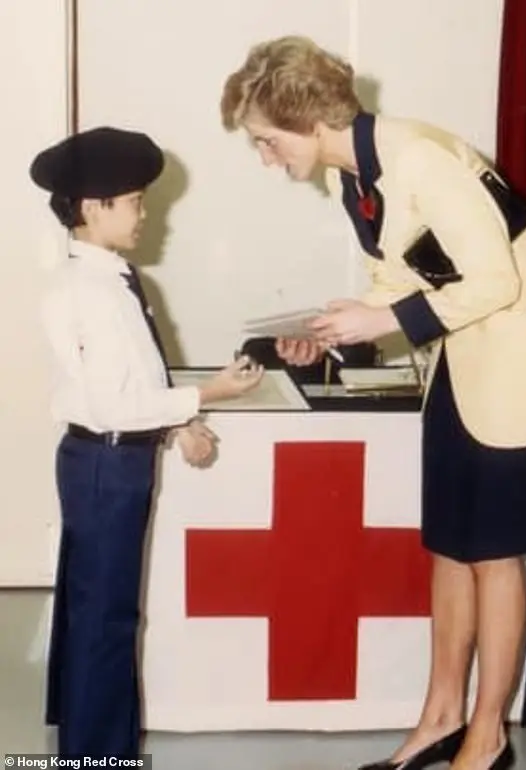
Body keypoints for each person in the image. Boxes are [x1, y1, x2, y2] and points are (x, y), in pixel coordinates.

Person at [220, 36, 526, 770]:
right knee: (451, 547)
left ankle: (486, 741)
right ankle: (440, 720)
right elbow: (404, 280)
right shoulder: (356, 175)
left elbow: (494, 282)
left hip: (520, 370)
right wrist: (335, 334)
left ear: (308, 122)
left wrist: (381, 321)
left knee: (494, 556)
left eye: (266, 142)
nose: (266, 158)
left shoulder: (420, 158)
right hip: (466, 365)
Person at [30, 126, 264, 758]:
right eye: (133, 200)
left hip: (109, 457)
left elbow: (137, 378)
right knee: (106, 622)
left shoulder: (114, 280)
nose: (144, 212)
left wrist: (179, 423)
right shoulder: (88, 291)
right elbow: (113, 403)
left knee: (94, 615)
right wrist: (207, 397)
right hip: (107, 462)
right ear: (91, 208)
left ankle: (88, 746)